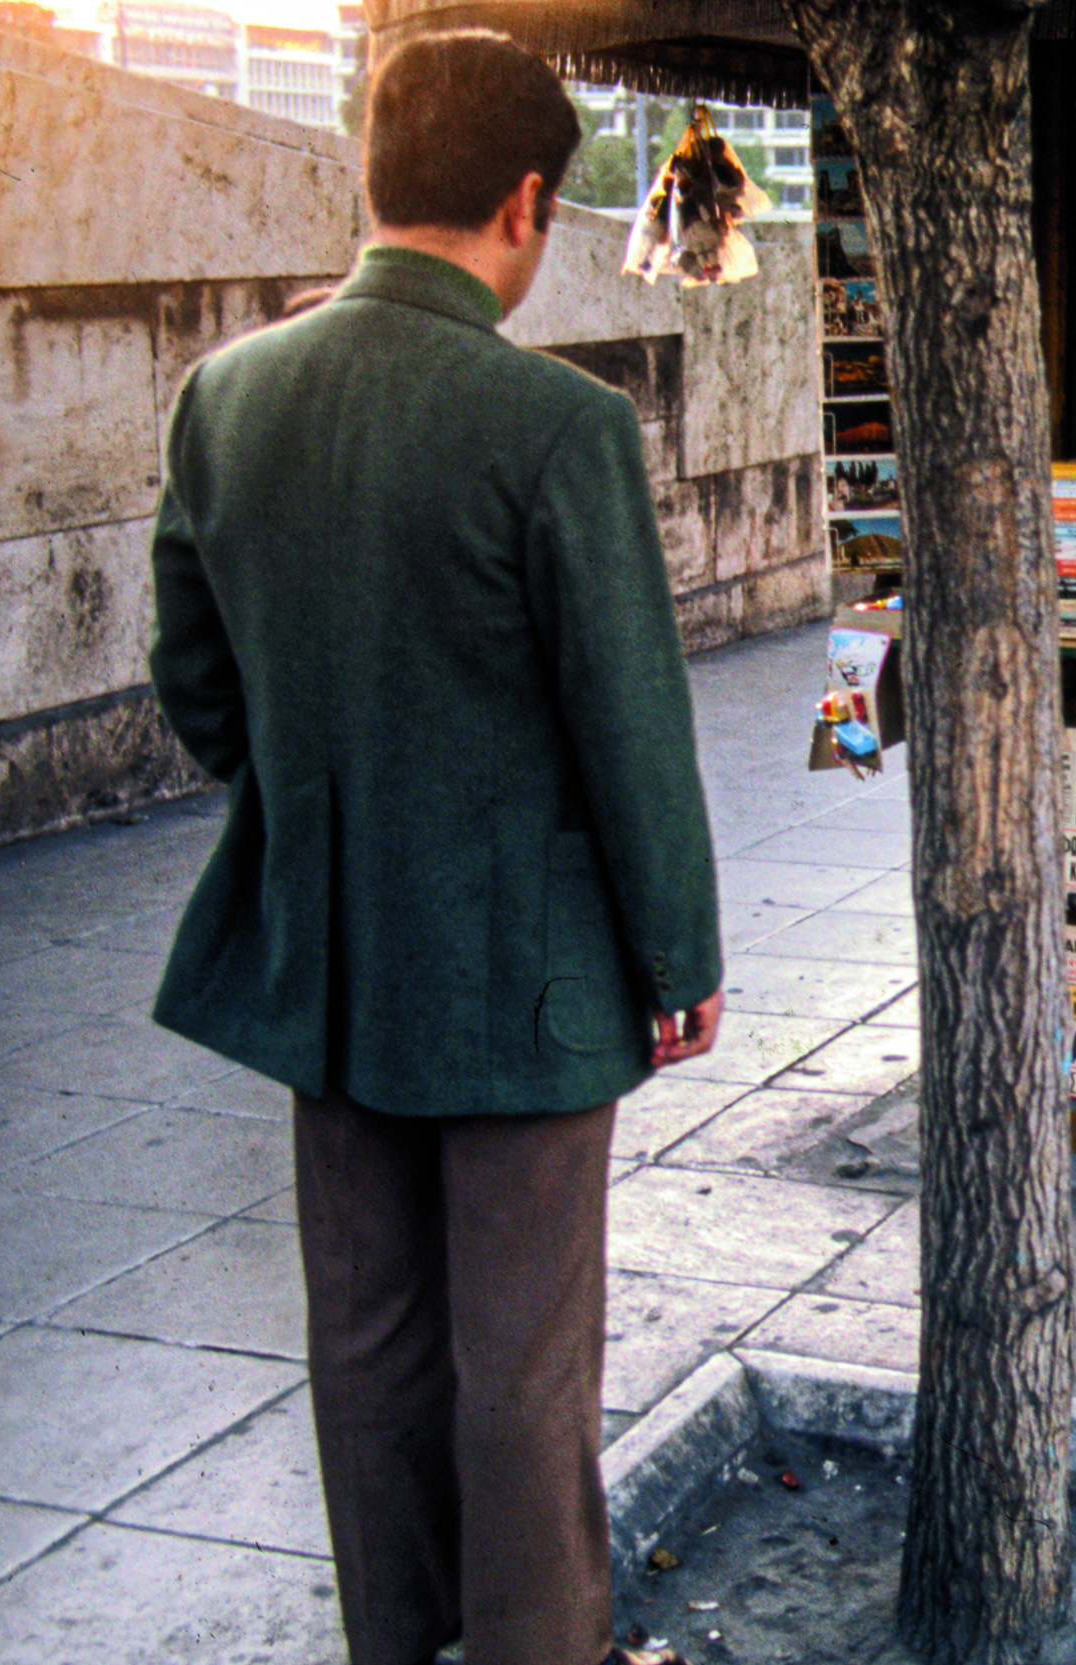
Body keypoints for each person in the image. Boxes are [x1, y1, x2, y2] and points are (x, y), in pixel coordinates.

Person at [145, 30, 722, 1665]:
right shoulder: (556, 424)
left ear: (372, 176)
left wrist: (322, 799)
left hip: (328, 959)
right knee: (523, 1368)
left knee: (369, 1340)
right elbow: (629, 723)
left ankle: (396, 1644)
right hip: (525, 984)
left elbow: (195, 679)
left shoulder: (227, 396)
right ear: (526, 203)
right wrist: (677, 957)